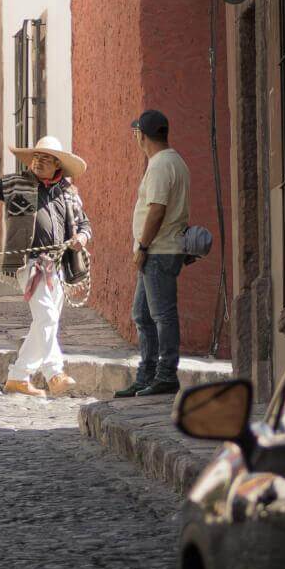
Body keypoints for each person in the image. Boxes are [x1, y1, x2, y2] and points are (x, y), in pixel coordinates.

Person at [0, 132, 91, 398]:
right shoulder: (15, 184)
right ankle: (54, 373)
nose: (38, 162)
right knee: (46, 317)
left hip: (57, 265)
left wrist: (81, 237)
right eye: (36, 157)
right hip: (28, 264)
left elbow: (84, 224)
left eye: (46, 159)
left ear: (58, 165)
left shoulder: (69, 193)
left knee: (45, 322)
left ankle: (18, 377)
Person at [116, 110, 190, 399]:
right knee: (143, 315)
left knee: (161, 315)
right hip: (161, 249)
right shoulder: (175, 161)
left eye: (136, 132)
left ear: (142, 135)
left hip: (157, 251)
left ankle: (166, 374)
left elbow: (157, 209)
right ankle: (146, 375)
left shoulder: (160, 165)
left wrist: (143, 246)